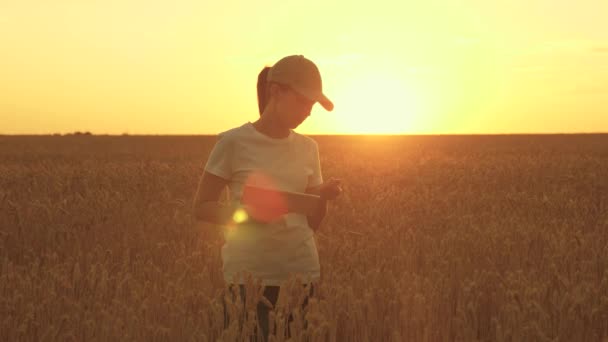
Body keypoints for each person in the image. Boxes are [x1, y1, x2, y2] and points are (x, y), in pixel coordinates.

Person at [193, 55, 342, 340]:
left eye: (312, 106)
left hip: (302, 276)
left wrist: (320, 197)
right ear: (275, 91)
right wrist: (246, 215)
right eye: (302, 102)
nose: (308, 112)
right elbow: (201, 208)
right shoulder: (233, 142)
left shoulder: (309, 148)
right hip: (249, 279)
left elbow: (312, 223)